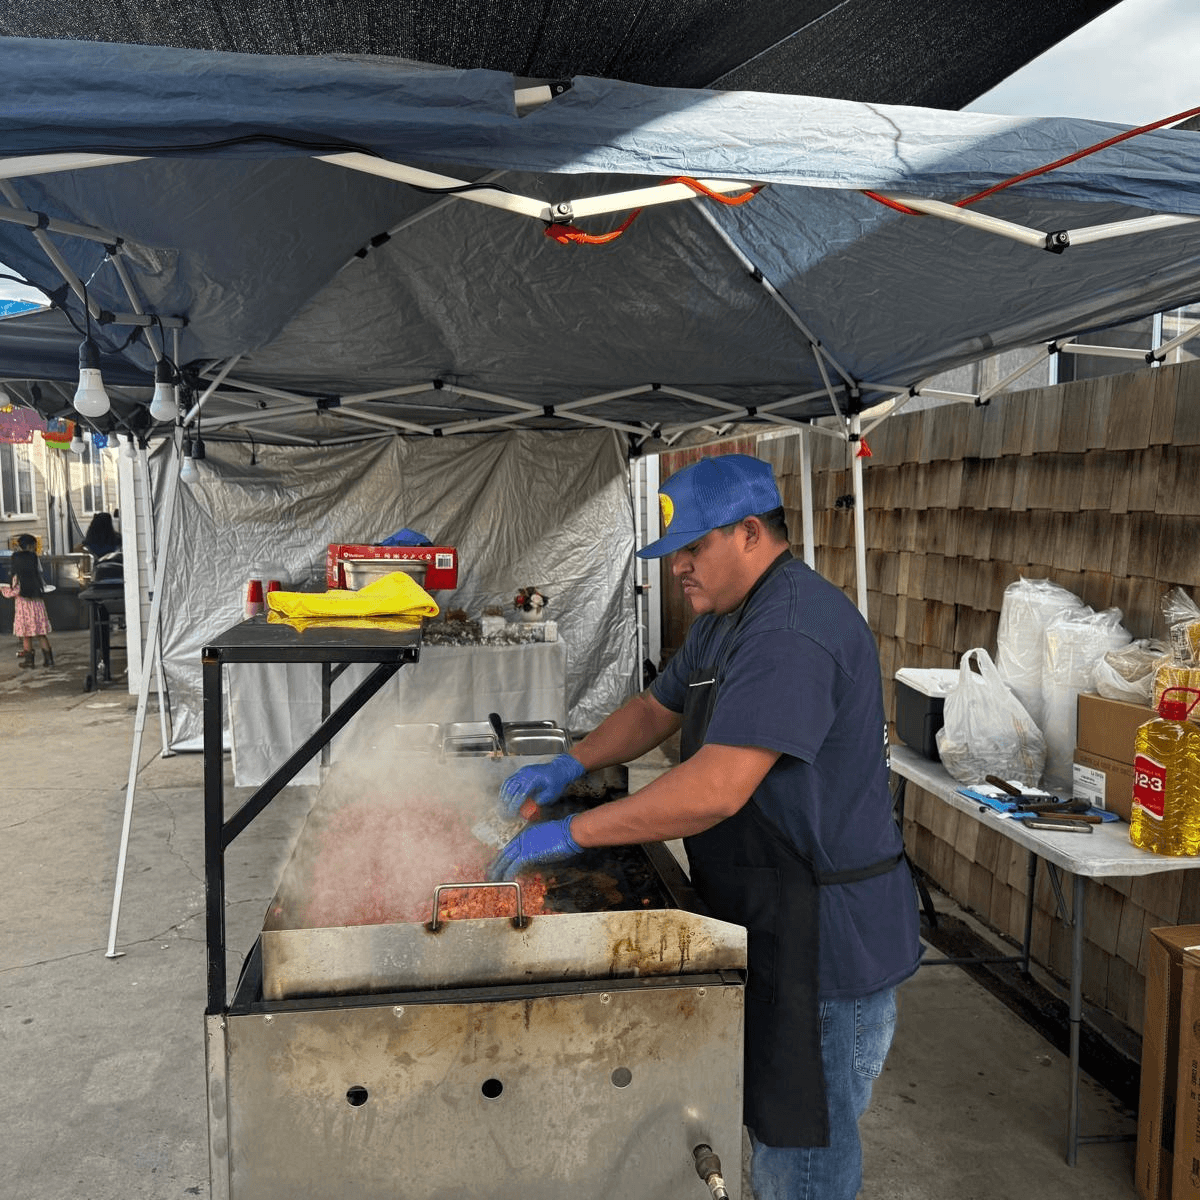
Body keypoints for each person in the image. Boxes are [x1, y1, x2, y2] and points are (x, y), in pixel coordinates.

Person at [490, 453, 921, 1200]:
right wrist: (571, 762)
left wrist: (575, 835)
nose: (679, 569)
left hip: (824, 941)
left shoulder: (792, 627)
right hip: (767, 915)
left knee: (803, 1157)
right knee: (768, 1129)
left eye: (693, 549)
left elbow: (718, 788)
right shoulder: (725, 620)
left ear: (751, 532)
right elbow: (658, 707)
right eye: (672, 555)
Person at [3, 534, 54, 668]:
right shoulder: (36, 577)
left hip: (23, 609)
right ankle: (49, 660)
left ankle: (29, 661)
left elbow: (13, 591)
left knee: (26, 635)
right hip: (38, 605)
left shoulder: (17, 578)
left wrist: (3, 590)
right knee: (41, 634)